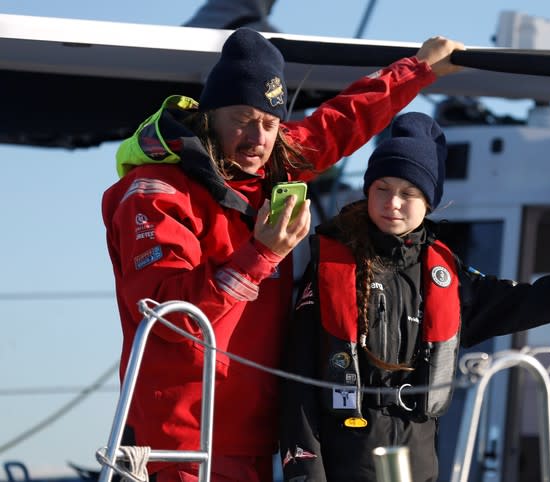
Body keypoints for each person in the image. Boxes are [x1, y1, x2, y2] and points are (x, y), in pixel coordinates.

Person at [101, 28, 464, 482]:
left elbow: (338, 123)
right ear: (210, 116)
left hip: (260, 438)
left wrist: (418, 69)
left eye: (270, 124)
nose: (258, 138)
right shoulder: (156, 192)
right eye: (242, 118)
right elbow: (171, 317)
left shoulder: (270, 167)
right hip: (176, 442)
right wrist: (262, 254)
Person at [278, 112, 550, 482]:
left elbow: (538, 300)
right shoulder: (328, 265)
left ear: (429, 203)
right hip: (342, 465)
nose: (392, 203)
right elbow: (298, 379)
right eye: (382, 189)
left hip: (416, 465)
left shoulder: (447, 278)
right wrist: (305, 473)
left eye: (408, 193)